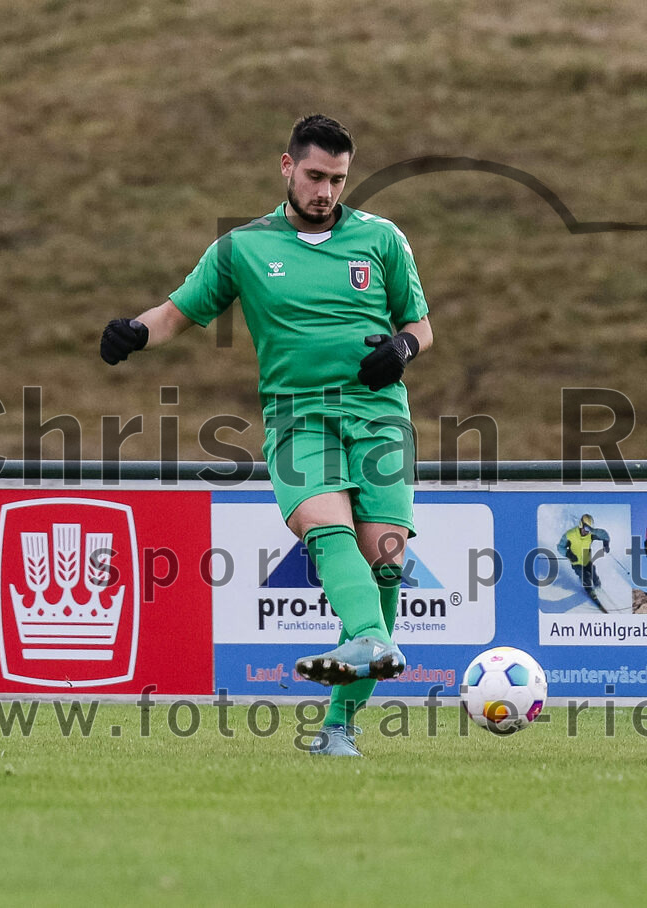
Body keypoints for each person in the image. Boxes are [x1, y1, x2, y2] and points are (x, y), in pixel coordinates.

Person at [99, 114, 433, 758]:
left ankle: (339, 729)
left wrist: (401, 348)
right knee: (326, 529)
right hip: (298, 418)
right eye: (314, 176)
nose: (325, 192)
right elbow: (176, 314)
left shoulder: (383, 239)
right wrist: (135, 333)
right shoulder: (243, 248)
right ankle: (369, 638)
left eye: (337, 179)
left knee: (385, 560)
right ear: (287, 167)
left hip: (379, 416)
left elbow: (420, 324)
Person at [557, 514, 610, 609]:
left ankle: (597, 585)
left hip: (587, 560)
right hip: (576, 562)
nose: (587, 531)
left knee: (593, 571)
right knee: (584, 575)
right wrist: (568, 554)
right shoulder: (570, 535)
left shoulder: (591, 534)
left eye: (589, 529)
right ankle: (590, 591)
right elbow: (560, 547)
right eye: (586, 528)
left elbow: (604, 534)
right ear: (581, 524)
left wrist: (606, 543)